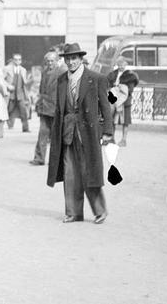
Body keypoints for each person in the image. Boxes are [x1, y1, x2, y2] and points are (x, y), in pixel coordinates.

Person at [46, 43, 113, 224]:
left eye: (73, 58)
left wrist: (107, 131)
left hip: (88, 133)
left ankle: (100, 211)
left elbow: (105, 107)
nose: (70, 62)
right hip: (67, 131)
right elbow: (59, 110)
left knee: (89, 172)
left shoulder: (95, 78)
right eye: (67, 59)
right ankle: (74, 212)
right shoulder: (62, 80)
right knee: (70, 173)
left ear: (81, 59)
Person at [30, 51, 62, 166]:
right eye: (47, 61)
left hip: (55, 108)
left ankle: (56, 160)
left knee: (56, 136)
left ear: (57, 61)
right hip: (44, 107)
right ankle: (39, 158)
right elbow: (41, 90)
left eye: (52, 61)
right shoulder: (44, 72)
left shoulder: (62, 72)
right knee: (42, 133)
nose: (49, 63)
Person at [108, 55, 140, 147]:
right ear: (117, 65)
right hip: (113, 100)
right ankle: (112, 138)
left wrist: (119, 88)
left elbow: (130, 89)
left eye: (122, 64)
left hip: (125, 101)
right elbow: (108, 85)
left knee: (125, 121)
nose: (121, 66)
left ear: (126, 64)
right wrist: (113, 89)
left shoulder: (130, 76)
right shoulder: (112, 74)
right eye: (119, 64)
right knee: (112, 120)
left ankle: (124, 139)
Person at [5, 54, 31, 133]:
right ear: (13, 60)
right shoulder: (7, 69)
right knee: (9, 110)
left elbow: (25, 82)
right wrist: (8, 86)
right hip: (11, 94)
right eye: (16, 59)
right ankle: (9, 125)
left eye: (19, 59)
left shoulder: (23, 70)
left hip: (20, 94)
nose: (17, 61)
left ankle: (25, 128)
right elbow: (2, 80)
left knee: (24, 111)